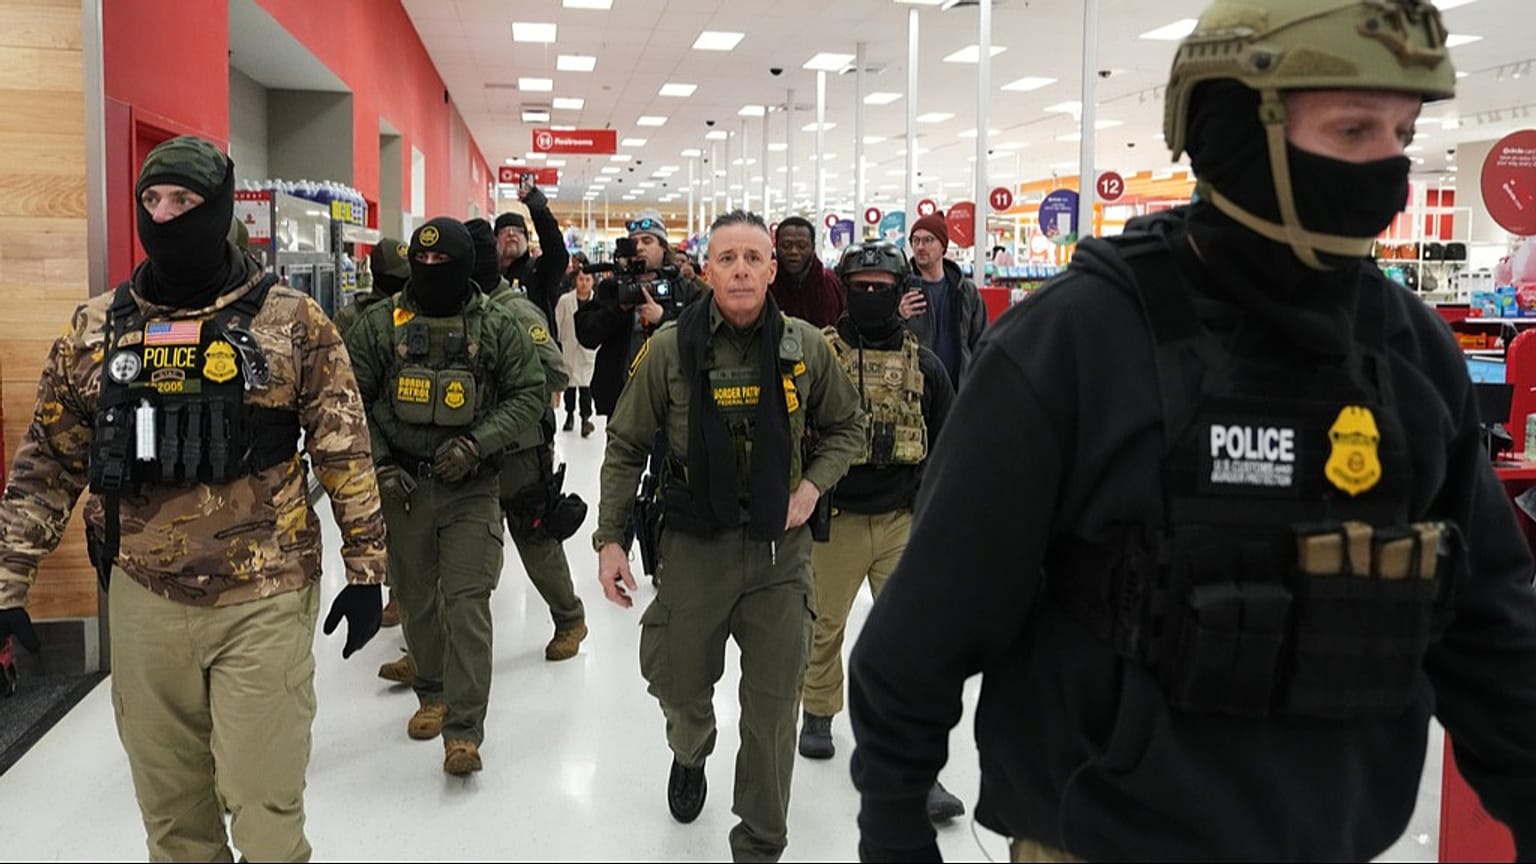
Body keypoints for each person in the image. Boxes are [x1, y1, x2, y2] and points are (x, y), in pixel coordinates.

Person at [848, 2, 1536, 861]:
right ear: (1232, 129)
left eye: (1402, 132)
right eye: (1354, 129)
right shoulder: (1077, 343)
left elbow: (1492, 629)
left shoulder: (1409, 352)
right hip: (1100, 841)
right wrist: (894, 825)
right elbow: (923, 629)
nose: (1389, 167)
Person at [0, 135, 387, 861]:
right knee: (174, 821)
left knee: (267, 814)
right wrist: (7, 582)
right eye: (151, 200)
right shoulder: (92, 332)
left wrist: (368, 573)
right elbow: (46, 465)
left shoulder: (294, 322)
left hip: (264, 592)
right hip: (143, 596)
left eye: (183, 201)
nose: (165, 214)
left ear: (218, 210)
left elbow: (345, 452)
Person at [594, 210, 866, 863]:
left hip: (781, 548)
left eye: (753, 257)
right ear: (706, 269)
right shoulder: (667, 350)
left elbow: (847, 430)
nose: (741, 269)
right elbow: (628, 444)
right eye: (727, 258)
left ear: (773, 269)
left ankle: (761, 842)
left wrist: (811, 488)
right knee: (679, 685)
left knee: (773, 712)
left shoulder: (806, 347)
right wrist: (611, 539)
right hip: (694, 543)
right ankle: (690, 751)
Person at [344, 216, 547, 776]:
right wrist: (381, 462)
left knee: (467, 605)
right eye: (422, 262)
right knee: (416, 599)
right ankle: (430, 691)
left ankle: (464, 730)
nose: (432, 271)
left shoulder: (499, 324)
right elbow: (352, 397)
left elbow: (530, 393)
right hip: (402, 487)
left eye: (443, 263)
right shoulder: (380, 325)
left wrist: (477, 444)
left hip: (471, 488)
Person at [793, 241, 963, 823]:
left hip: (901, 521)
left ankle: (919, 767)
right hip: (836, 518)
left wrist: (931, 512)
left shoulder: (926, 364)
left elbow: (949, 440)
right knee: (823, 628)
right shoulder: (820, 355)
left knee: (912, 645)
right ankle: (817, 711)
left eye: (881, 288)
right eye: (859, 286)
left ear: (899, 292)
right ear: (845, 287)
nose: (870, 296)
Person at [471, 217, 589, 662]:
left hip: (519, 450)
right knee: (465, 548)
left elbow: (555, 371)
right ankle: (437, 643)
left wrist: (505, 386)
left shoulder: (514, 310)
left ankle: (569, 618)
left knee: (534, 538)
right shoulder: (461, 310)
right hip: (472, 449)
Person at [336, 236, 412, 629]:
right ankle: (385, 588)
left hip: (403, 422)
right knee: (375, 515)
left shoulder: (411, 310)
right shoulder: (354, 317)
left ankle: (402, 595)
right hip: (364, 424)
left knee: (402, 518)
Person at [575, 211, 706, 416]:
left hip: (671, 402)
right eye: (634, 242)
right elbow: (586, 333)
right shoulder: (613, 287)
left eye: (647, 240)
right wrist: (619, 309)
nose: (640, 247)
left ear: (663, 246)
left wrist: (663, 318)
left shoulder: (684, 289)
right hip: (621, 401)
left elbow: (700, 337)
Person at [900, 213, 988, 390]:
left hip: (959, 389)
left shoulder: (965, 291)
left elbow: (981, 341)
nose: (920, 247)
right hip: (915, 391)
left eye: (928, 240)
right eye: (915, 241)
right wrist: (898, 316)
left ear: (943, 246)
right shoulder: (901, 289)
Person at [496, 179, 569, 328]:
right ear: (495, 239)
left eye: (518, 230)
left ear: (526, 239)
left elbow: (557, 253)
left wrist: (540, 211)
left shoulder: (538, 271)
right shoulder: (490, 276)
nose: (511, 234)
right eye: (505, 230)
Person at [769, 216, 845, 328]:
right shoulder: (766, 285)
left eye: (801, 246)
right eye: (786, 246)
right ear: (776, 247)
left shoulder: (829, 283)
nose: (793, 251)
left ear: (813, 247)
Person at [556, 267, 599, 437]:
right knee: (570, 386)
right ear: (576, 280)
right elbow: (558, 320)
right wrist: (559, 341)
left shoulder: (598, 300)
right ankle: (569, 415)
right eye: (581, 279)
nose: (584, 283)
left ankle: (585, 418)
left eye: (587, 280)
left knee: (586, 387)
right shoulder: (565, 300)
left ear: (593, 281)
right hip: (569, 346)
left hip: (589, 349)